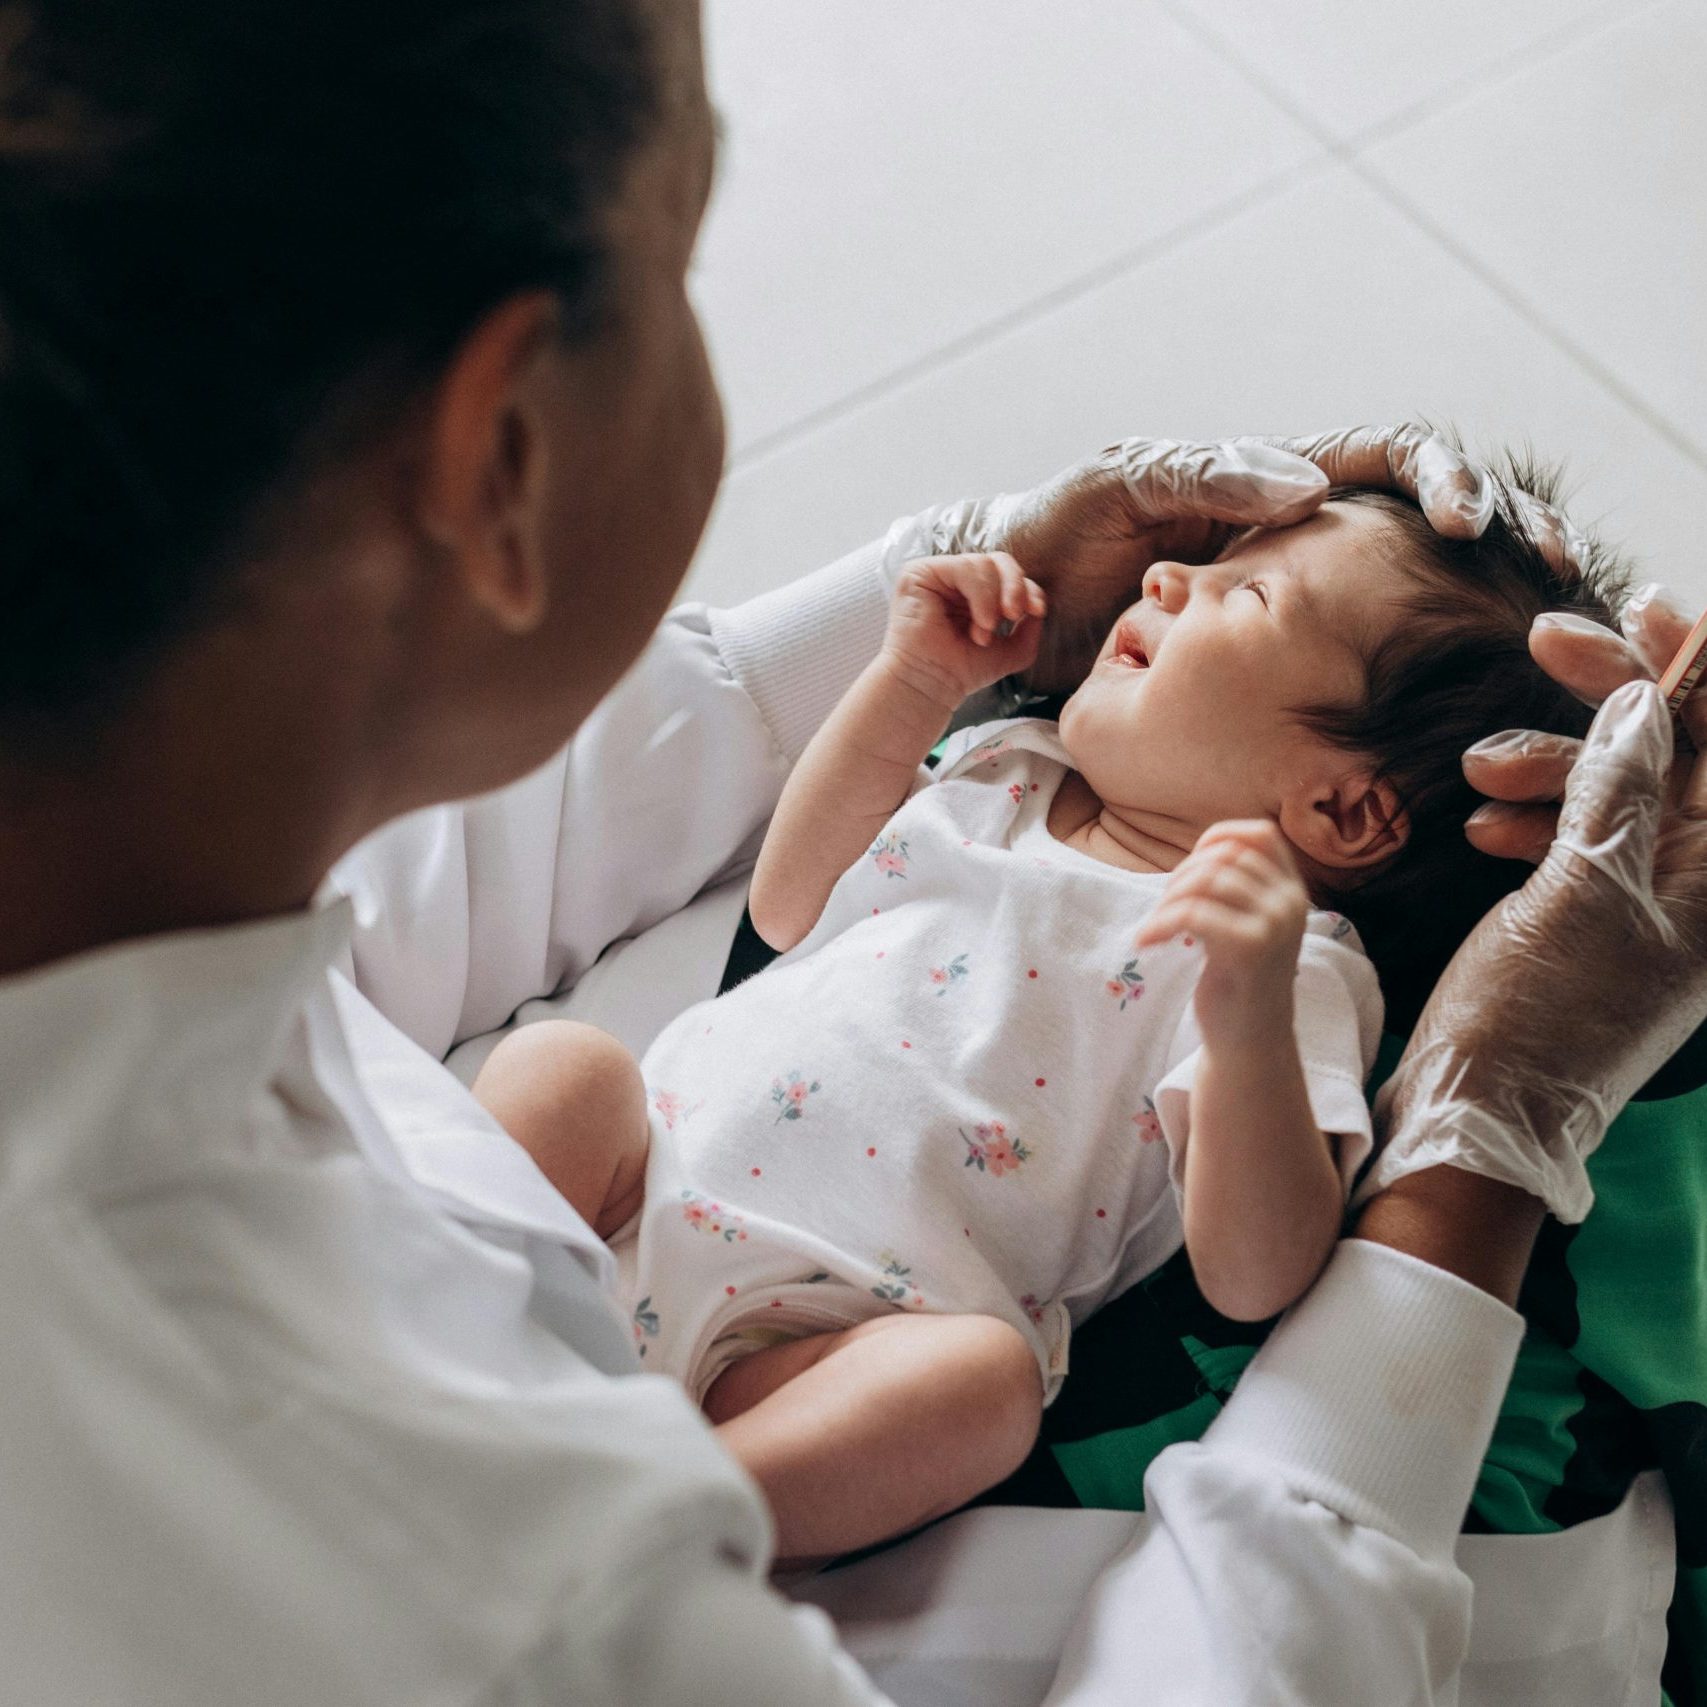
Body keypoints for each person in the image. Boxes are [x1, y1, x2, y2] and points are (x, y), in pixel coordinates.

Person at [0, 2, 1701, 1703]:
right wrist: (1491, 1130)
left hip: (826, 1323)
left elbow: (659, 882)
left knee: (924, 1344)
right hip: (661, 1293)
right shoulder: (537, 1623)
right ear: (498, 448)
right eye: (684, 265)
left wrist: (949, 609)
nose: (1172, 590)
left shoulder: (122, 879)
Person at [469, 474, 1627, 1566]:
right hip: (641, 1179)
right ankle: (433, 1304)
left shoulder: (1289, 969)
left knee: (982, 1390)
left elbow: (1256, 1277)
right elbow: (788, 904)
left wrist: (1244, 1020)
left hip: (818, 1341)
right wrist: (912, 682)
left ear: (1340, 806)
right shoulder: (1007, 767)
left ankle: (653, 1523)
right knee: (562, 1071)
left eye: (1248, 594)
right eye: (1207, 562)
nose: (1171, 581)